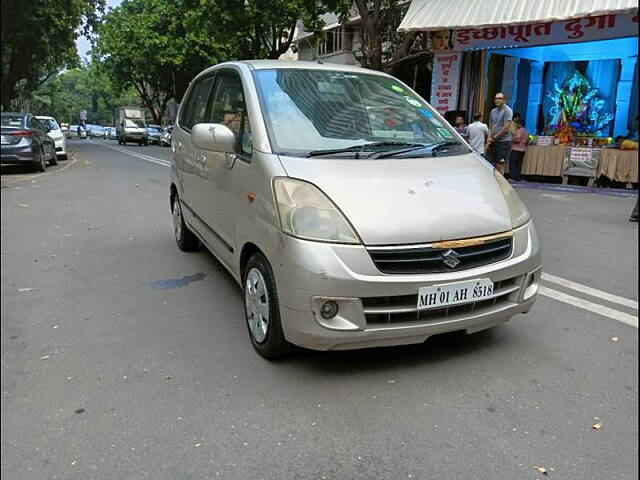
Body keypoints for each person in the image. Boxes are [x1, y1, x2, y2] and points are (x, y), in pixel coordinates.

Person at [486, 92, 513, 175]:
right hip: (493, 141)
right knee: (491, 163)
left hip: (503, 141)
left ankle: (500, 184)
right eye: (496, 98)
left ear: (504, 100)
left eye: (500, 98)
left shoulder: (508, 110)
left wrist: (494, 138)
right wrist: (489, 138)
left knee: (500, 164)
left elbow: (506, 128)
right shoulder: (493, 111)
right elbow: (491, 126)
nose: (497, 100)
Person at [509, 117, 528, 181]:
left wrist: (511, 139)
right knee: (519, 164)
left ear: (519, 124)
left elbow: (518, 139)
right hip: (523, 150)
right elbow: (528, 141)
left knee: (513, 163)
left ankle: (512, 177)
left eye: (517, 124)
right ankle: (517, 177)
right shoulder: (526, 131)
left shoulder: (519, 130)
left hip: (516, 149)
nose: (516, 125)